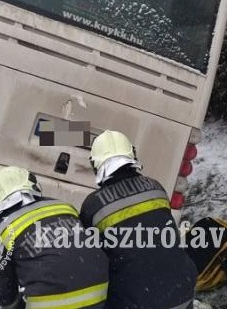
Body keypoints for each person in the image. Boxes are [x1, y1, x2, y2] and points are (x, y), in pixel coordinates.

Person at [80, 130, 198, 309]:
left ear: (95, 165)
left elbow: (91, 264)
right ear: (132, 155)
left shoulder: (93, 205)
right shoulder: (156, 187)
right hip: (183, 292)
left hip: (140, 301)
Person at [0, 166, 109, 309]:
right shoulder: (64, 207)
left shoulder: (0, 229)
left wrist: (13, 303)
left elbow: (3, 289)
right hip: (100, 297)